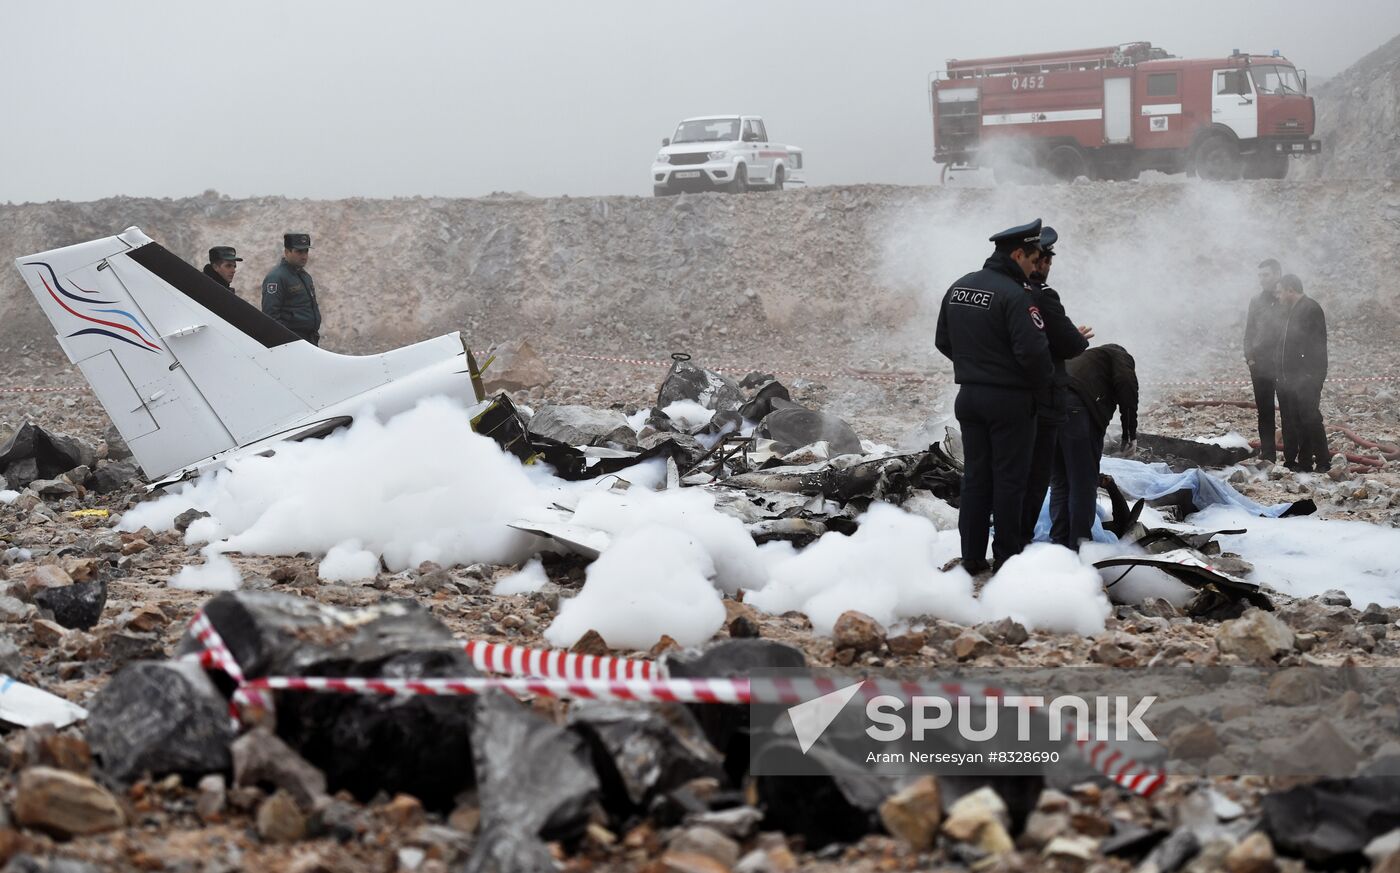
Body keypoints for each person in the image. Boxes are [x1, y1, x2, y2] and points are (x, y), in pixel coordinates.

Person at [935, 219, 1054, 574]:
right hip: (1009, 402)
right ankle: (1006, 559)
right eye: (1033, 259)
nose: (1035, 267)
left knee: (975, 478)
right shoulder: (1016, 296)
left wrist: (975, 367)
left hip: (969, 397)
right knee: (1010, 480)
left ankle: (971, 557)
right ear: (1017, 254)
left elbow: (943, 341)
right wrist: (1035, 385)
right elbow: (1034, 354)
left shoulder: (960, 286)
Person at [1018, 226, 1092, 546]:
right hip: (1046, 399)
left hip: (1013, 397)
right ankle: (1063, 544)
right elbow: (1067, 343)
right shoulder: (1043, 295)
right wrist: (1076, 338)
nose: (1047, 265)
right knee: (1051, 478)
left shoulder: (1007, 290)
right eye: (1045, 259)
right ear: (1040, 261)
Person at [1049, 343, 1139, 549]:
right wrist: (1129, 433)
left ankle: (1059, 547)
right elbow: (1126, 383)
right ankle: (1080, 546)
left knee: (1060, 481)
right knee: (1082, 483)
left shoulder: (1083, 360)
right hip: (1075, 411)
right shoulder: (1119, 355)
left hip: (1048, 410)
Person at [1275, 275, 1331, 472]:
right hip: (1293, 377)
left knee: (1311, 418)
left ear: (1290, 290)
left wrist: (1309, 374)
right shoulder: (1293, 310)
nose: (1278, 296)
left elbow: (1315, 345)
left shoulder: (1310, 309)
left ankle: (1323, 461)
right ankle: (1305, 462)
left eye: (1280, 292)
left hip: (1307, 376)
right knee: (1299, 419)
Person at [1244, 259, 1287, 462]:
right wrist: (1250, 359)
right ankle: (1268, 455)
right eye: (1260, 275)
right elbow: (1249, 331)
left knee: (1288, 410)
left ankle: (1292, 455)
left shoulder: (1286, 298)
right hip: (1260, 365)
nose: (1262, 279)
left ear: (1277, 274)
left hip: (1284, 364)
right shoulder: (1256, 301)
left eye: (1266, 275)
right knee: (1265, 411)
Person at [262, 233, 323, 345]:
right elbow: (270, 316)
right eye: (299, 252)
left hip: (309, 339)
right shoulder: (276, 277)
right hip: (292, 342)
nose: (304, 256)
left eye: (306, 251)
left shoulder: (305, 276)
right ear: (287, 252)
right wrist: (287, 340)